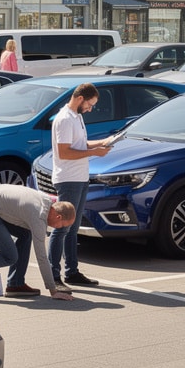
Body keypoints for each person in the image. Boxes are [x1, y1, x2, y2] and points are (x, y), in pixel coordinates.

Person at [0, 183, 77, 300]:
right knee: (10, 257)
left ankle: (15, 284)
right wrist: (53, 290)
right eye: (62, 226)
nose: (60, 228)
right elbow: (42, 257)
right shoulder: (38, 218)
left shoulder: (46, 201)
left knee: (25, 235)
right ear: (58, 217)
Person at [48, 83, 114, 289]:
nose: (90, 109)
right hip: (68, 179)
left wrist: (103, 142)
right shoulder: (65, 119)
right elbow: (64, 152)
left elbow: (80, 145)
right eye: (89, 104)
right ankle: (53, 276)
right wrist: (95, 152)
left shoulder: (76, 117)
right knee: (62, 228)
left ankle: (72, 272)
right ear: (80, 99)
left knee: (72, 229)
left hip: (80, 177)